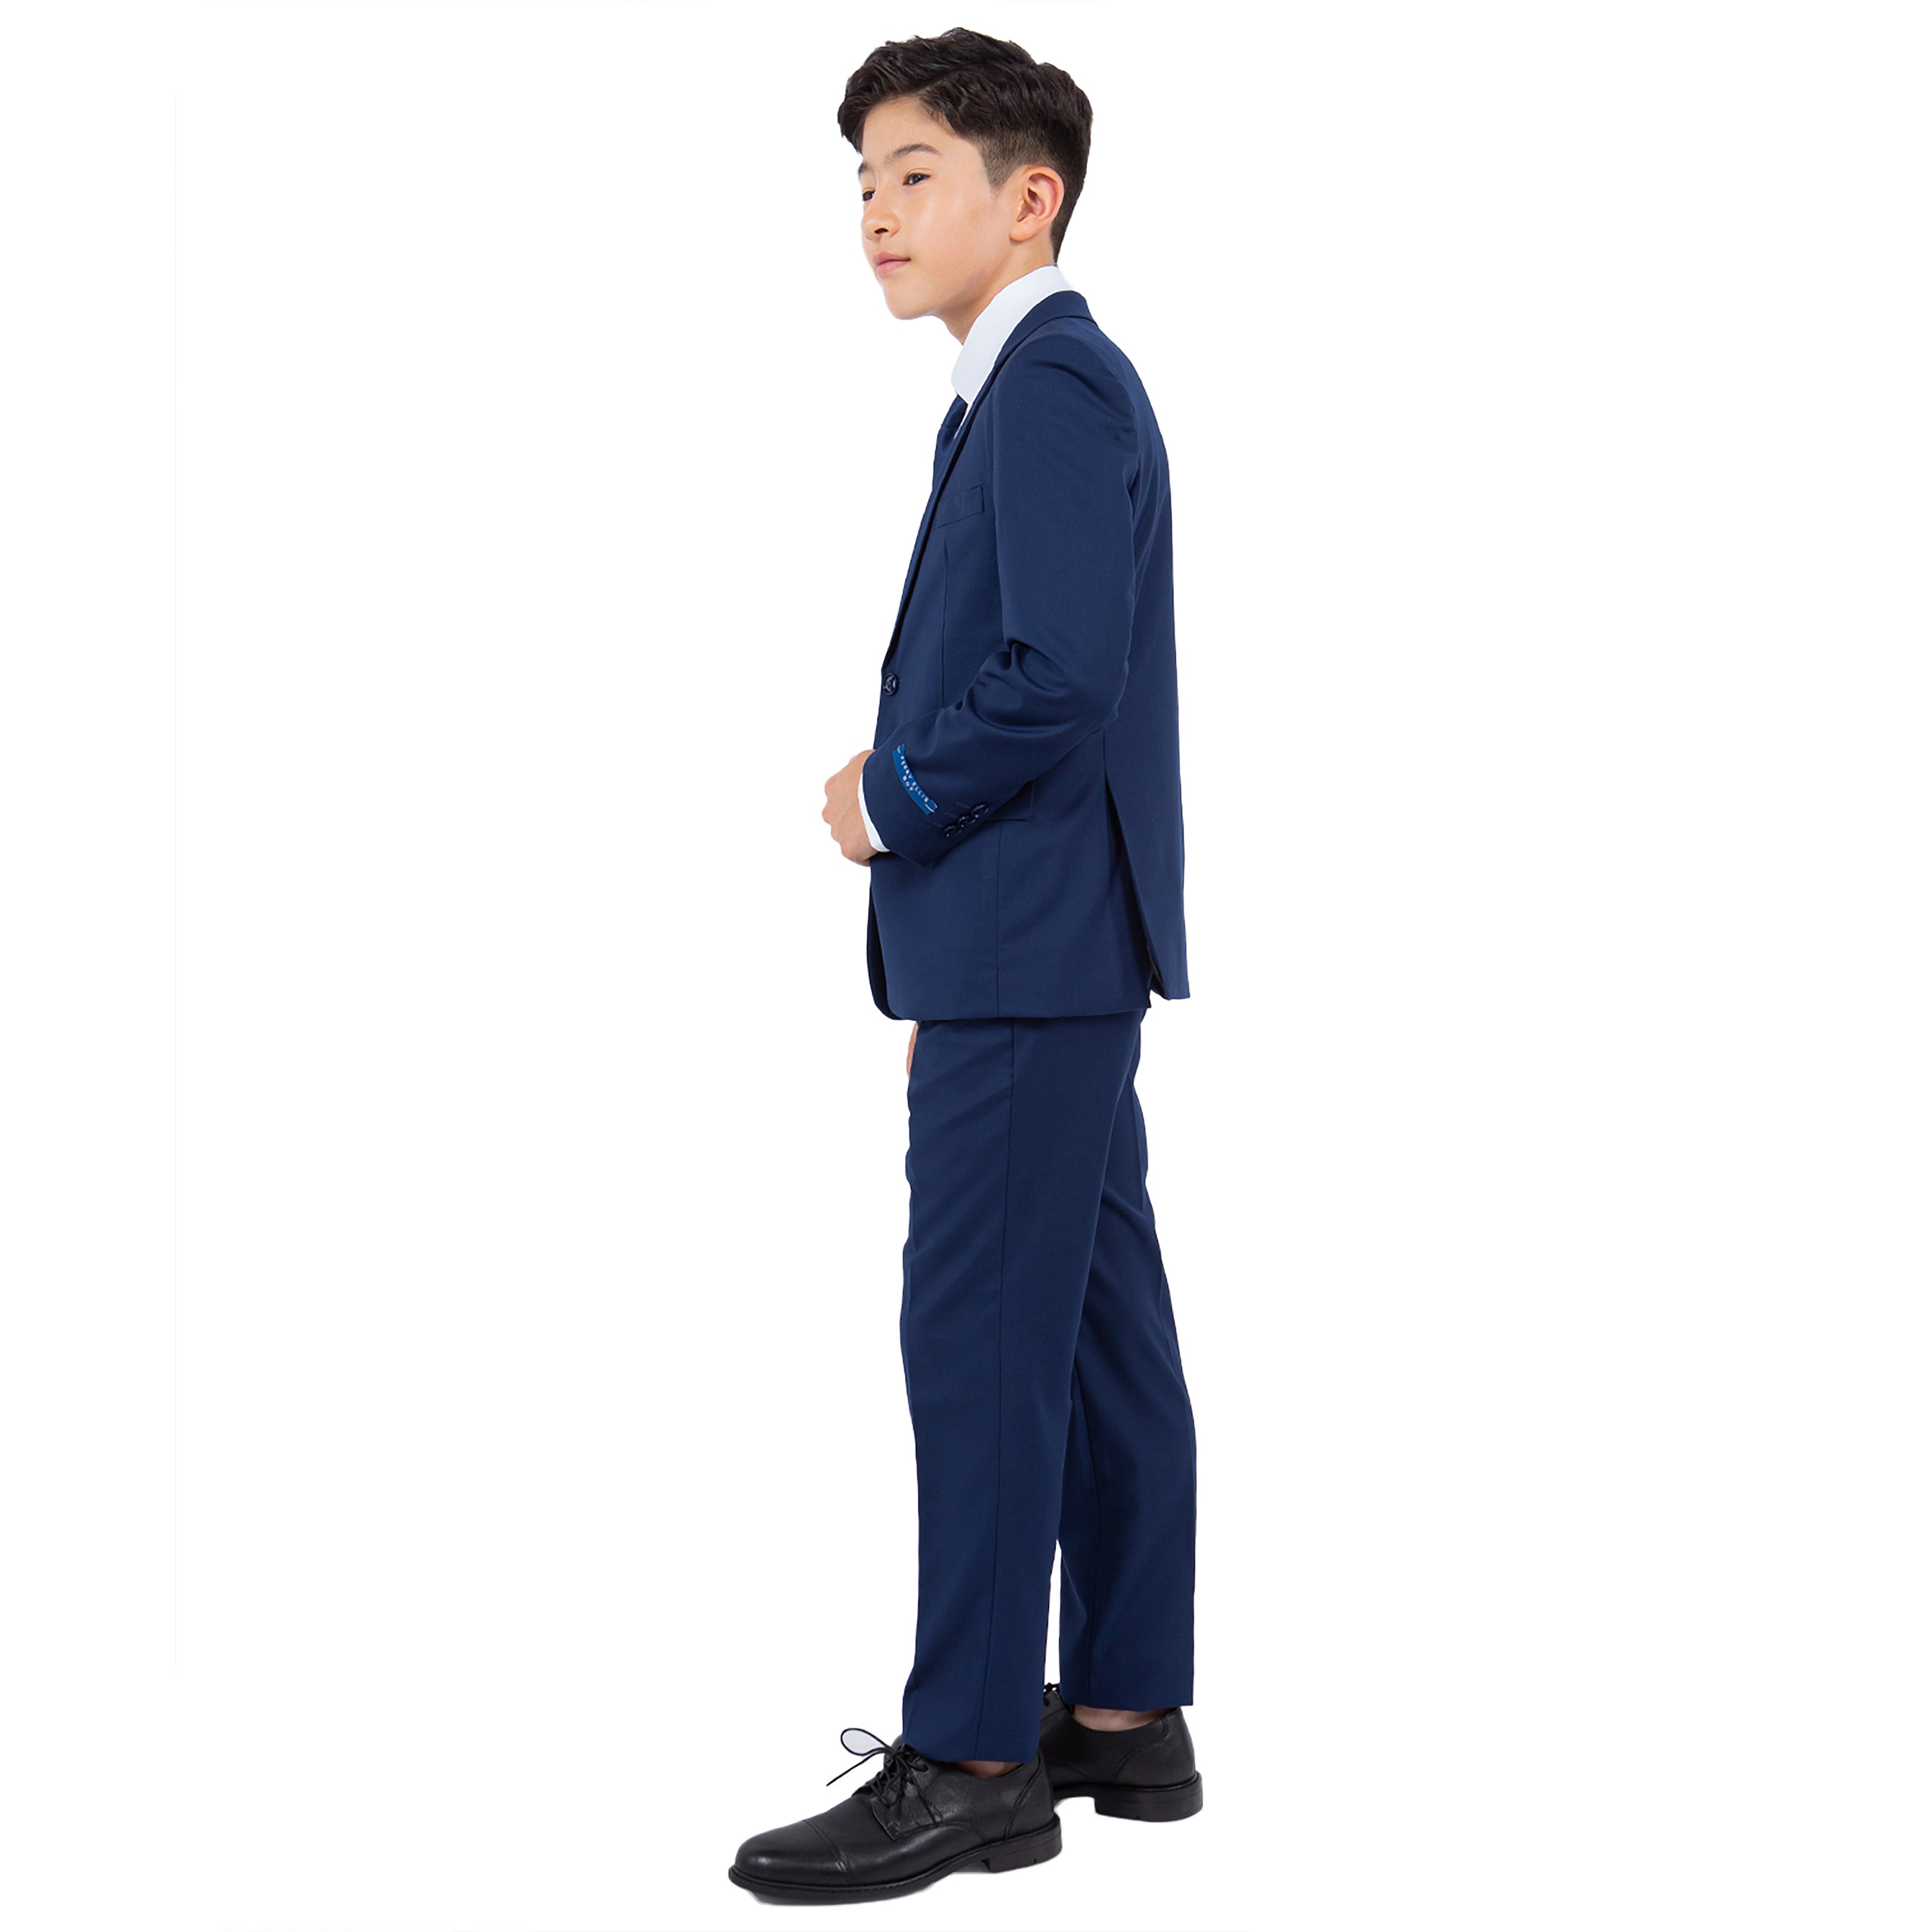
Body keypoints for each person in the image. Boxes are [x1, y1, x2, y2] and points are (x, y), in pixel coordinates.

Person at [728, 28, 1201, 1905]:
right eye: (861, 180)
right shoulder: (1024, 390)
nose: (874, 211)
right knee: (1091, 1334)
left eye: (914, 173)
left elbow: (1055, 678)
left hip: (1023, 947)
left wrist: (892, 800)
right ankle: (1126, 1713)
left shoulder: (1051, 386)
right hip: (1046, 955)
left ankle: (977, 1756)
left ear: (1032, 198)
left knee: (984, 1350)